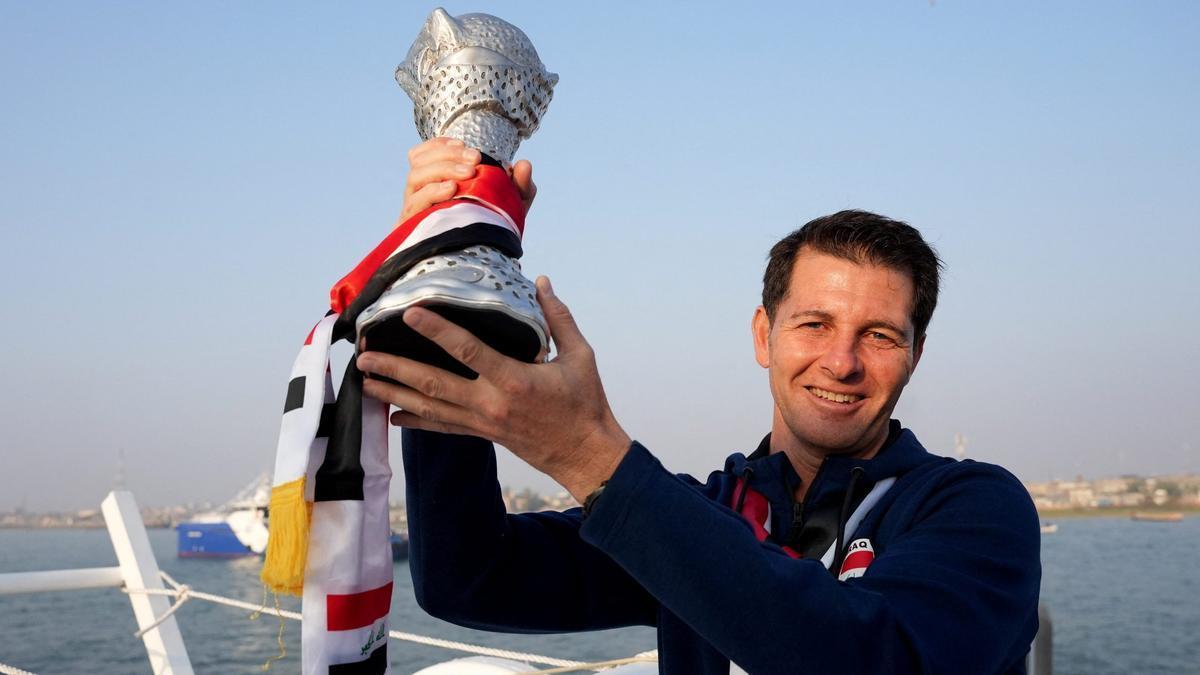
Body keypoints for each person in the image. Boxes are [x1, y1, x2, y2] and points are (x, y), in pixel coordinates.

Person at [355, 138, 1042, 674]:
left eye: (880, 335)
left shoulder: (975, 508)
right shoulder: (705, 517)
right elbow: (471, 577)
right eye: (814, 324)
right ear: (762, 336)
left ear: (914, 355)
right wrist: (446, 267)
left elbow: (878, 659)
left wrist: (589, 455)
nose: (842, 360)